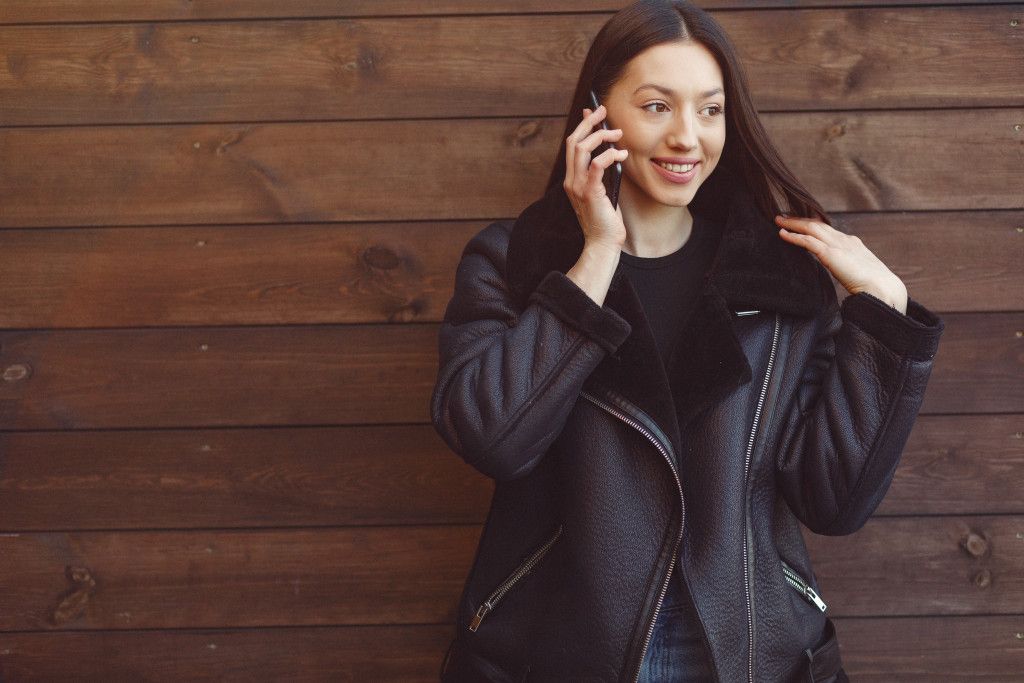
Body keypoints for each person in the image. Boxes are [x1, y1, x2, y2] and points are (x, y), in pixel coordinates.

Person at [430, 1, 944, 681]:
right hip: (563, 648)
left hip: (741, 648)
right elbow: (492, 437)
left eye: (709, 110)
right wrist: (593, 260)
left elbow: (834, 501)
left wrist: (883, 315)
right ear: (596, 111)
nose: (687, 138)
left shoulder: (781, 280)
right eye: (656, 106)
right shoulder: (514, 261)